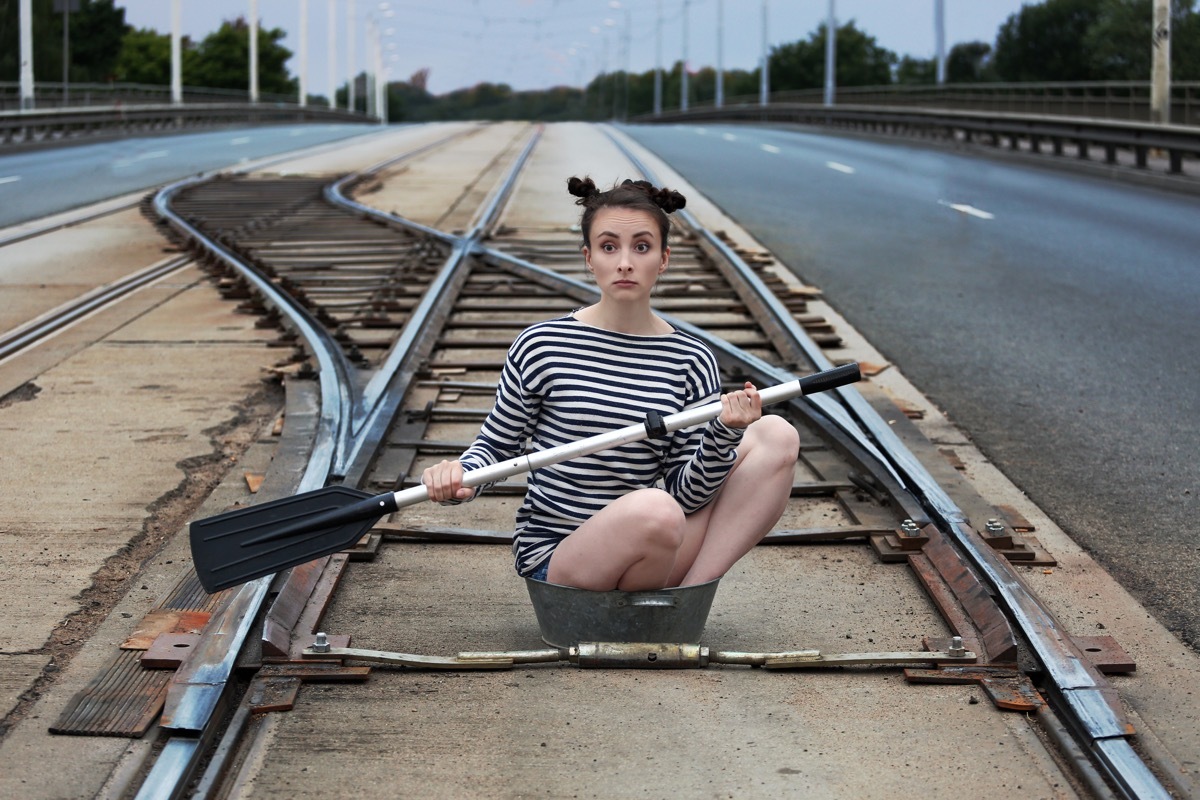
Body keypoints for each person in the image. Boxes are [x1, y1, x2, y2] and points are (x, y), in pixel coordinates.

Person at [422, 176, 799, 592]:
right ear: (589, 258)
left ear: (663, 259)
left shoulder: (691, 359)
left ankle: (687, 597)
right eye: (608, 247)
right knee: (656, 509)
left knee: (775, 434)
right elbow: (499, 447)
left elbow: (687, 495)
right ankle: (653, 606)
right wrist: (459, 476)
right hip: (563, 559)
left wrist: (725, 433)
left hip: (650, 542)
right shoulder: (541, 345)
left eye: (642, 247)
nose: (624, 263)